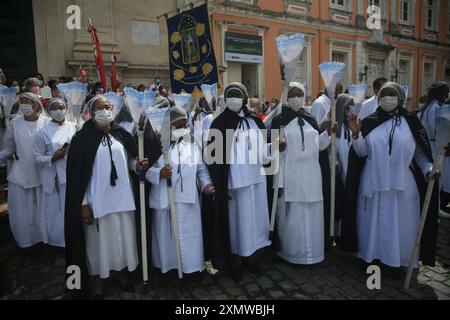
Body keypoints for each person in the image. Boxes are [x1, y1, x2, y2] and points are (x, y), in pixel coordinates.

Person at [343, 82, 439, 277]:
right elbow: (361, 152)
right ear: (378, 98)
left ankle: (399, 261)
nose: (388, 97)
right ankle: (371, 258)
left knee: (402, 225)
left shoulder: (411, 121)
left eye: (392, 94)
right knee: (372, 224)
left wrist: (429, 169)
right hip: (373, 181)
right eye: (384, 94)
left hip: (401, 186)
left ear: (400, 98)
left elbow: (420, 156)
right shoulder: (369, 121)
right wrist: (355, 134)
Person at [64, 95, 150, 298]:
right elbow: (78, 176)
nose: (107, 110)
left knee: (122, 238)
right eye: (102, 107)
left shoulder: (120, 134)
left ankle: (120, 273)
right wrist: (83, 204)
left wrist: (137, 165)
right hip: (97, 200)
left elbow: (128, 161)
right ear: (92, 112)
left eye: (109, 106)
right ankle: (97, 281)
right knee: (97, 244)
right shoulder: (81, 139)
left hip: (122, 198)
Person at [206, 82, 273, 281]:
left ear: (244, 98)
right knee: (237, 223)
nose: (234, 98)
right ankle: (235, 259)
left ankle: (249, 257)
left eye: (238, 94)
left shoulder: (254, 120)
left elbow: (264, 151)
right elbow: (213, 157)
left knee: (254, 220)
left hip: (256, 179)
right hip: (235, 182)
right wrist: (221, 183)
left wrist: (275, 147)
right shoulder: (219, 122)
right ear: (225, 98)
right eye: (230, 94)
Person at [146, 106, 214, 276]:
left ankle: (190, 268)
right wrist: (159, 174)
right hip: (166, 200)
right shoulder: (157, 147)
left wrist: (206, 184)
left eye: (185, 126)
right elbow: (145, 171)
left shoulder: (191, 146)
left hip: (188, 200)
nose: (182, 130)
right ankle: (168, 269)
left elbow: (201, 170)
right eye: (177, 126)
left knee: (190, 236)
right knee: (166, 237)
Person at [272, 82, 335, 265]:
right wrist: (279, 183)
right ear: (287, 96)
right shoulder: (279, 120)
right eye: (293, 94)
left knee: (313, 216)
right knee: (292, 219)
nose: (297, 98)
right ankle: (292, 254)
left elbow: (319, 146)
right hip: (290, 177)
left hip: (311, 177)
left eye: (300, 94)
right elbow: (274, 155)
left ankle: (314, 254)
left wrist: (329, 134)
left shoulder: (310, 119)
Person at [0, 93, 50, 248]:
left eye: (27, 101)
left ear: (36, 104)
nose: (24, 105)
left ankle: (46, 238)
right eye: (21, 102)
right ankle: (27, 241)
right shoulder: (15, 124)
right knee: (24, 212)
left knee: (44, 210)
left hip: (43, 173)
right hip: (22, 174)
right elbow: (8, 147)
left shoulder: (47, 123)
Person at [34, 98, 76, 248]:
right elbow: (37, 157)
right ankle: (58, 241)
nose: (58, 110)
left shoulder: (74, 126)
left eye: (61, 107)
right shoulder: (43, 132)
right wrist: (52, 158)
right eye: (55, 108)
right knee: (56, 211)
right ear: (50, 111)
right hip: (56, 177)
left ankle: (74, 239)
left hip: (73, 175)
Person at [418, 81, 450, 218]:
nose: (447, 95)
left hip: (432, 144)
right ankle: (433, 209)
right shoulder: (436, 108)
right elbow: (434, 129)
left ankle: (434, 207)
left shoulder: (428, 107)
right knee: (436, 177)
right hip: (435, 145)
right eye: (446, 91)